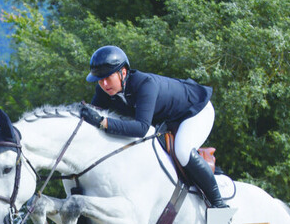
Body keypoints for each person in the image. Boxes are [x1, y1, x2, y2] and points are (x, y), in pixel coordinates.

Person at [80, 45, 228, 208]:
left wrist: (103, 122)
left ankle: (219, 204)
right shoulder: (104, 90)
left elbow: (141, 128)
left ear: (123, 72)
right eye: (100, 80)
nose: (104, 84)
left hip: (195, 111)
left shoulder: (145, 84)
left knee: (182, 151)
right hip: (167, 118)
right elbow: (92, 115)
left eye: (108, 78)